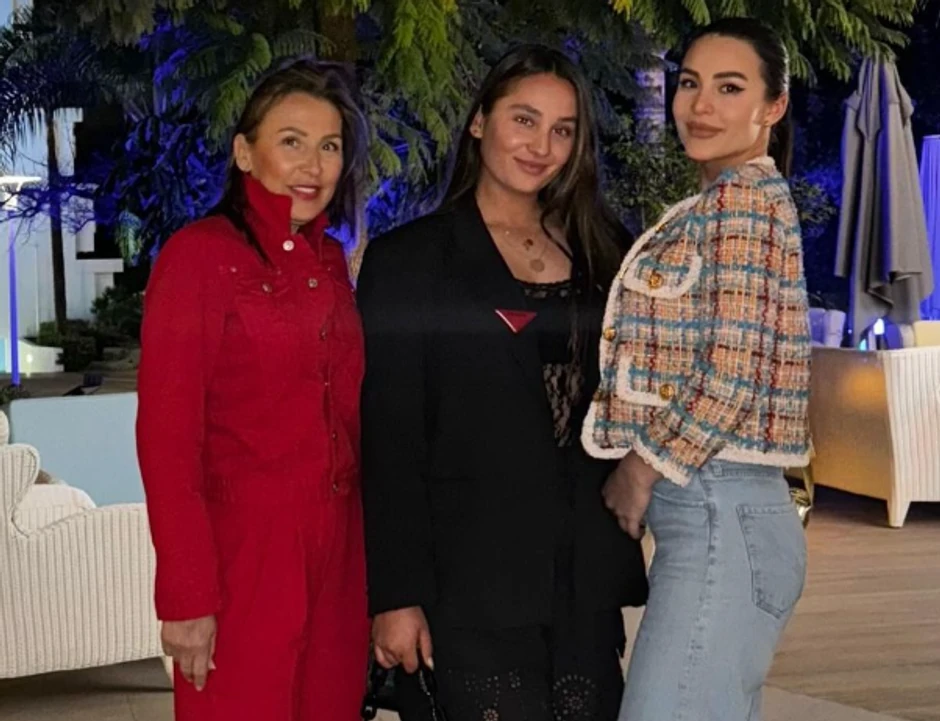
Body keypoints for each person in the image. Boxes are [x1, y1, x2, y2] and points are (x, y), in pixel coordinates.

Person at [357, 44, 648, 721]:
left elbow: (644, 386)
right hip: (465, 588)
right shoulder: (410, 261)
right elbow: (387, 441)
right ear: (479, 121)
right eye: (524, 119)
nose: (541, 146)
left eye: (562, 129)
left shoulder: (607, 249)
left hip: (582, 586)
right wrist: (394, 596)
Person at [582, 17, 811, 721]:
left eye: (730, 87)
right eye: (690, 83)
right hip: (724, 517)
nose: (701, 105)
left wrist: (639, 469)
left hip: (719, 512)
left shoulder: (741, 202)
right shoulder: (729, 201)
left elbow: (729, 373)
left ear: (773, 105)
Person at [136, 60, 371, 721]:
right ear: (244, 152)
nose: (313, 165)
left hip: (338, 552)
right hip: (243, 553)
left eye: (329, 146)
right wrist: (186, 595)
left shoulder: (331, 262)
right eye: (291, 141)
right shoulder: (199, 257)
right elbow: (167, 439)